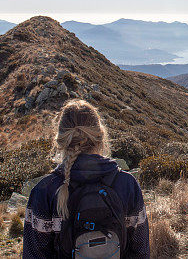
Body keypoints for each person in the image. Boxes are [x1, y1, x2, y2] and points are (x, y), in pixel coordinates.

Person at [23, 99, 149, 258]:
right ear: (100, 135)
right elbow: (141, 252)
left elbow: (34, 255)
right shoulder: (127, 184)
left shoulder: (45, 191)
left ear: (61, 139)